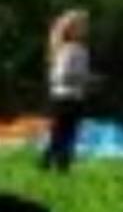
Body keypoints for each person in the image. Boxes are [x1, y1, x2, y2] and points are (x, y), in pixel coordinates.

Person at [40, 9, 98, 173]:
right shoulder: (69, 50)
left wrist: (87, 80)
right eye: (82, 25)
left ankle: (58, 163)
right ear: (71, 29)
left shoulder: (78, 49)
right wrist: (85, 79)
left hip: (73, 96)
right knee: (62, 133)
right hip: (65, 97)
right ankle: (53, 162)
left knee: (66, 132)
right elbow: (62, 75)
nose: (86, 28)